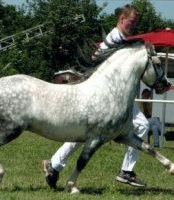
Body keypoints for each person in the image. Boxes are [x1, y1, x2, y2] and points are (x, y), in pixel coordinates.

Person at [43, 4, 149, 189]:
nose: (133, 26)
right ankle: (126, 171)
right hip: (107, 97)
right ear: (122, 19)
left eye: (135, 24)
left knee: (83, 134)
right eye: (131, 22)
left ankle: (54, 165)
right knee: (140, 125)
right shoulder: (115, 38)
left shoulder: (120, 38)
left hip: (113, 96)